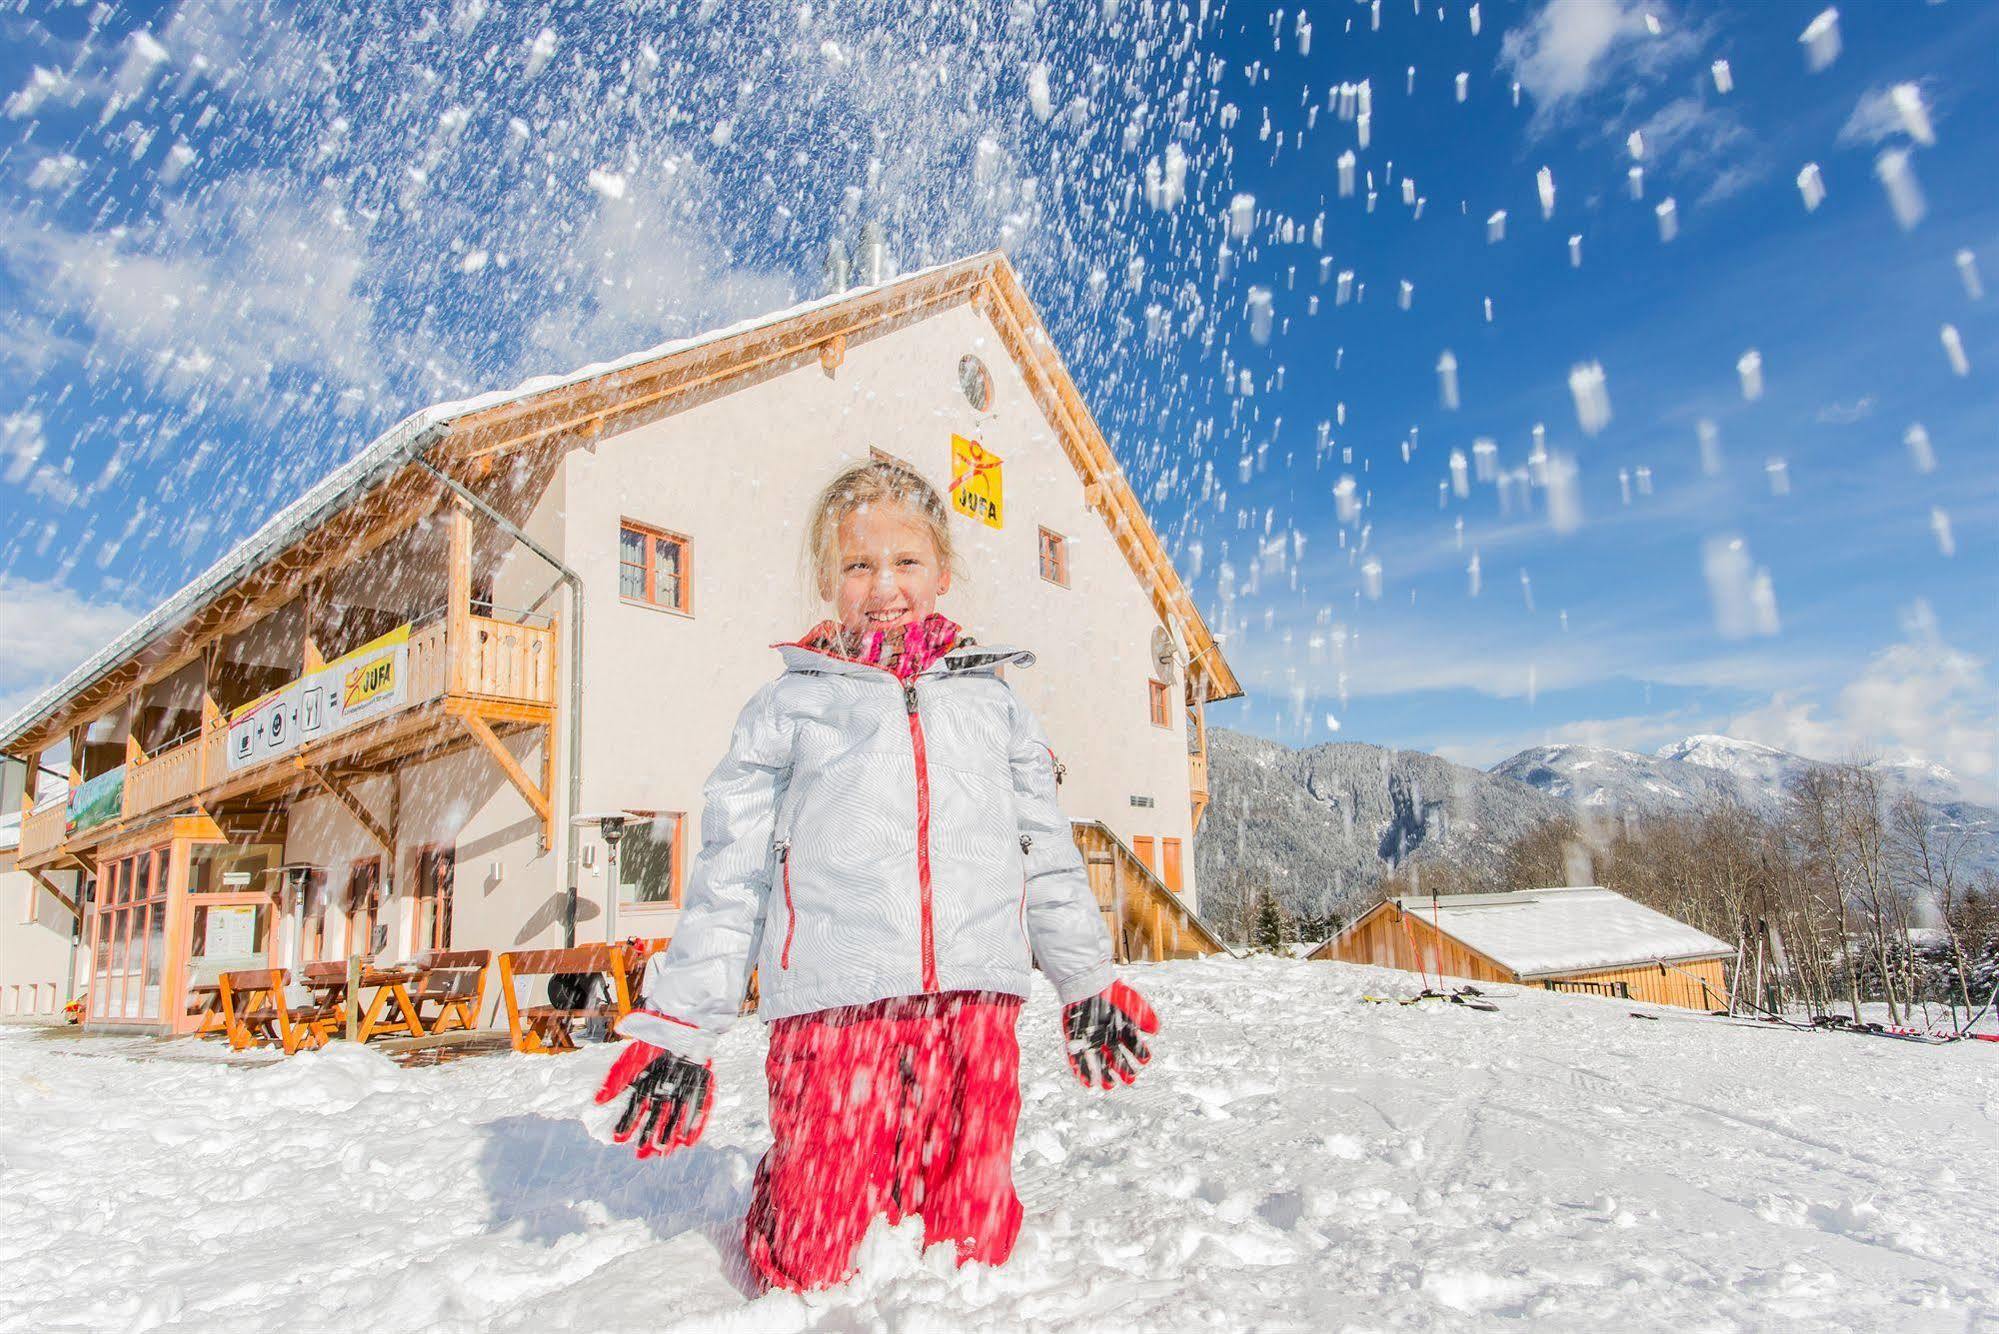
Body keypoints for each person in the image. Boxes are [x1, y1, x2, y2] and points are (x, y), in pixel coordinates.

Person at [592, 457, 1160, 1292]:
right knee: (812, 1261)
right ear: (826, 579)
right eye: (858, 564)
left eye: (905, 562)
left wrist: (1085, 979)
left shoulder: (993, 703)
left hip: (972, 1003)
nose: (883, 585)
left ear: (942, 571)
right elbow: (732, 875)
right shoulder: (789, 707)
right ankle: (783, 1196)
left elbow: (1043, 853)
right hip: (833, 1008)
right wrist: (683, 1026)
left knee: (973, 1249)